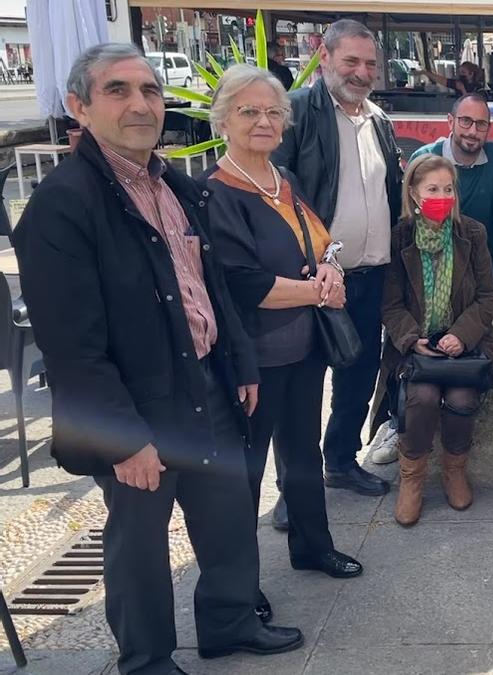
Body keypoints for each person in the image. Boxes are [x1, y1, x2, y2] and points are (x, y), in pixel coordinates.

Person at [12, 44, 303, 674]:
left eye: (149, 90)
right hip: (136, 405)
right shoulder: (63, 205)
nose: (141, 104)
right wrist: (123, 439)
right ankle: (146, 660)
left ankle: (228, 624)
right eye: (118, 91)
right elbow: (69, 346)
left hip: (207, 383)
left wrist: (242, 365)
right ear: (78, 108)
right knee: (140, 543)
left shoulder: (174, 185)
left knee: (227, 515)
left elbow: (212, 288)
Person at [205, 65, 365, 617]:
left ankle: (312, 547)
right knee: (246, 474)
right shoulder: (217, 193)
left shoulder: (282, 182)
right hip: (253, 359)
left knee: (302, 453)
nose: (263, 121)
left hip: (303, 350)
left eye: (273, 112)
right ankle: (241, 590)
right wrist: (317, 293)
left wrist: (332, 271)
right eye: (249, 111)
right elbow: (242, 283)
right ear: (224, 118)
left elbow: (323, 245)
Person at [273, 19, 403, 513]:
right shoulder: (298, 112)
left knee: (358, 373)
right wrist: (312, 259)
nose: (361, 72)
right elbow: (279, 192)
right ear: (322, 56)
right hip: (312, 279)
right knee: (302, 387)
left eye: (369, 63)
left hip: (369, 276)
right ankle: (293, 489)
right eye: (351, 60)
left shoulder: (378, 120)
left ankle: (341, 461)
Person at [384, 153, 493, 526]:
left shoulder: (471, 233)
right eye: (433, 189)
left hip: (463, 349)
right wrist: (411, 338)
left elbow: (487, 296)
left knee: (460, 397)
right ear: (415, 194)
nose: (442, 196)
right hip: (417, 348)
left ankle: (455, 470)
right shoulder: (400, 237)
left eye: (448, 188)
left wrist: (460, 334)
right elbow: (390, 304)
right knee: (421, 396)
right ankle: (412, 480)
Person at [409, 93, 493, 306]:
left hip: (481, 270)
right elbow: (407, 221)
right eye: (465, 121)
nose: (472, 131)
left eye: (481, 124)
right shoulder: (426, 158)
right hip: (431, 270)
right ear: (450, 121)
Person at [420, 61, 487, 96]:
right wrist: (425, 73)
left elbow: (472, 104)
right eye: (459, 72)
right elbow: (442, 80)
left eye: (463, 72)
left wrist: (463, 89)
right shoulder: (459, 83)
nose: (461, 74)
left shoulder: (478, 89)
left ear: (471, 74)